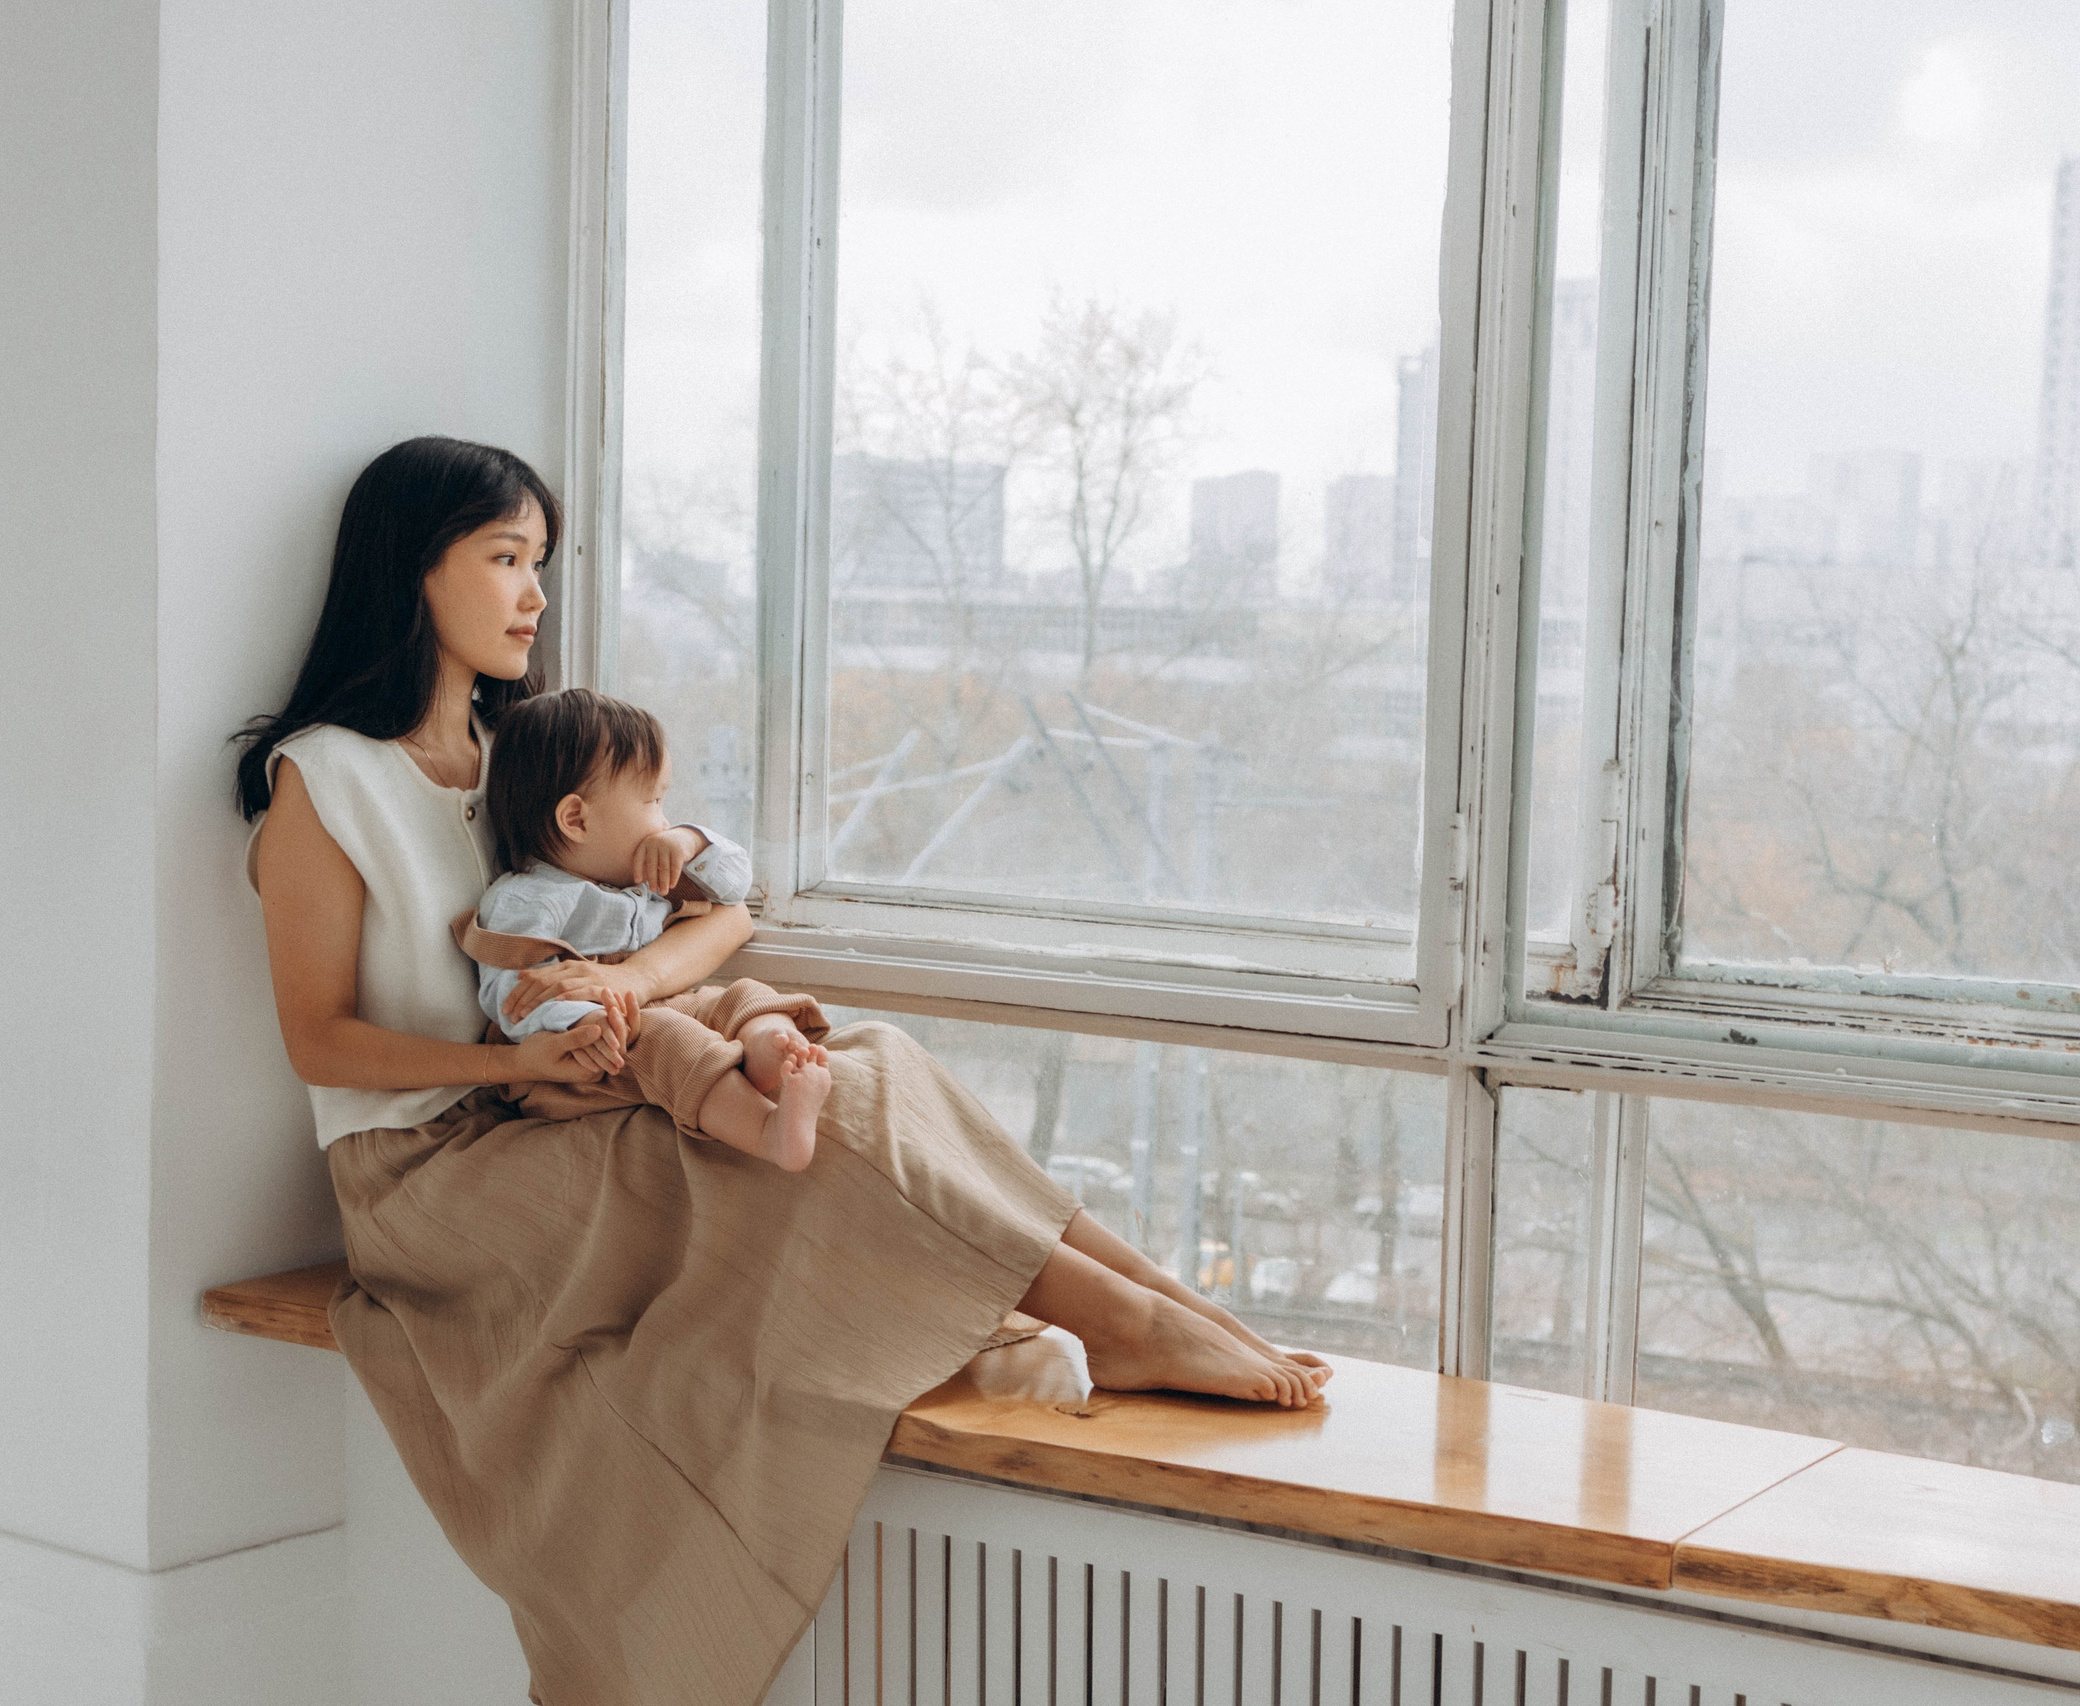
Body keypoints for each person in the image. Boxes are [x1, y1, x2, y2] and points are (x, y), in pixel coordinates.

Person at [237, 436, 1329, 1706]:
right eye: (504, 559)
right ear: (412, 571)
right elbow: (318, 1038)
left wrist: (633, 974)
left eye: (542, 560)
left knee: (871, 1063)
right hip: (430, 1170)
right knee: (824, 1117)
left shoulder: (529, 757)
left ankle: (1143, 1302)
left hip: (562, 1095)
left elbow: (724, 919)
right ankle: (1126, 1319)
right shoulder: (324, 778)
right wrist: (509, 1052)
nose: (536, 592)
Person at [466, 687, 834, 1171]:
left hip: (657, 1009)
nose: (661, 819)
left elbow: (733, 886)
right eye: (653, 802)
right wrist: (585, 1024)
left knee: (740, 994)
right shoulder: (527, 900)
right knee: (669, 1039)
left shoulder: (638, 875)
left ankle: (771, 1051)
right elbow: (513, 999)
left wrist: (688, 840)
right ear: (576, 818)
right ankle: (768, 1133)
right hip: (577, 1064)